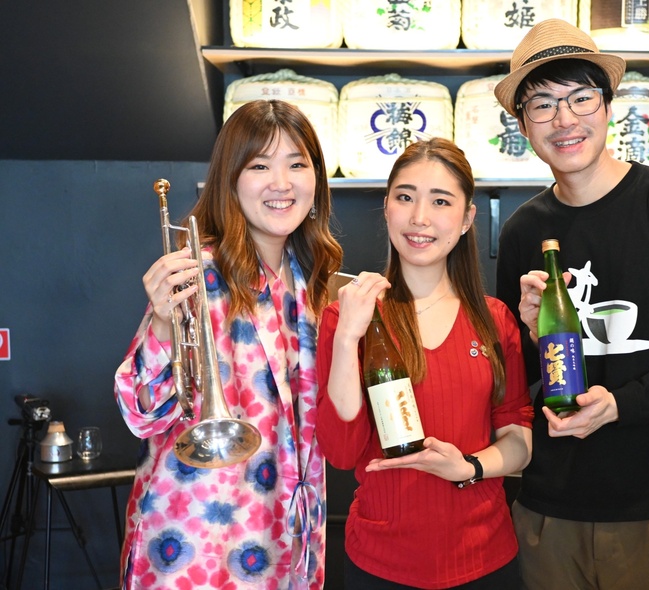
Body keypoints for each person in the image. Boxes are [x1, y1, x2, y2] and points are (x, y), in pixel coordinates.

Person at [492, 19, 649, 590]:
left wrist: (620, 406)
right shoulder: (521, 232)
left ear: (607, 105)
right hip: (548, 505)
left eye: (581, 97)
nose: (565, 119)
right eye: (542, 105)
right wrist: (533, 339)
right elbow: (519, 383)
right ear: (522, 124)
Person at [113, 99, 343, 589]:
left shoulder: (315, 281)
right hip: (195, 538)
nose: (281, 183)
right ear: (230, 179)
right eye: (259, 165)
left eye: (297, 164)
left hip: (290, 532)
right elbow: (141, 413)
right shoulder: (197, 270)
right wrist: (159, 321)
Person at [315, 138, 534, 589]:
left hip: (486, 557)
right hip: (380, 562)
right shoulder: (349, 314)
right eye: (405, 197)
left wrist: (468, 467)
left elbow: (518, 436)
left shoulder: (494, 320)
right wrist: (348, 337)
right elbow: (339, 452)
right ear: (387, 207)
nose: (420, 218)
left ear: (468, 217)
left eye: (440, 201)